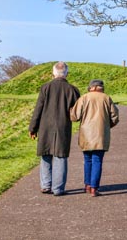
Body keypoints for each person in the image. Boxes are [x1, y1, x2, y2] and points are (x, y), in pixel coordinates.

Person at [28, 61, 80, 196]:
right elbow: (77, 112)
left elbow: (38, 109)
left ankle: (46, 185)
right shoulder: (72, 90)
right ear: (66, 73)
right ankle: (58, 188)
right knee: (60, 157)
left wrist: (33, 128)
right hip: (63, 126)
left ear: (53, 73)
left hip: (46, 126)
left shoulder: (45, 88)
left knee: (46, 154)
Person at [70, 79, 119, 197]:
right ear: (102, 87)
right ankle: (94, 188)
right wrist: (107, 126)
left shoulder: (84, 98)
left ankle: (87, 184)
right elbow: (115, 117)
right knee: (97, 160)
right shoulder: (106, 98)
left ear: (90, 87)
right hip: (101, 134)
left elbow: (74, 117)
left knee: (87, 160)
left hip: (86, 134)